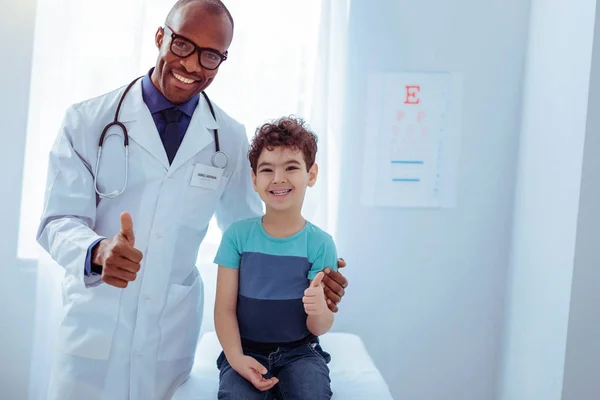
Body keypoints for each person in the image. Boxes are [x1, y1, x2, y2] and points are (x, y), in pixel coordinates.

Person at [35, 1, 348, 399]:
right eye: (183, 44)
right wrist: (97, 251)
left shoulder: (228, 137)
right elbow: (56, 219)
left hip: (169, 334)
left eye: (211, 55)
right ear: (161, 36)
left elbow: (253, 228)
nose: (193, 64)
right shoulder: (86, 121)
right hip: (96, 323)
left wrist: (312, 268)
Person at [213, 116, 337, 399]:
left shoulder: (321, 244)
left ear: (312, 174)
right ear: (254, 180)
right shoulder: (236, 237)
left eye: (291, 167)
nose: (278, 178)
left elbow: (319, 326)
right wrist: (236, 359)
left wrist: (319, 309)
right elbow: (223, 310)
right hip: (245, 349)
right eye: (267, 170)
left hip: (300, 353)